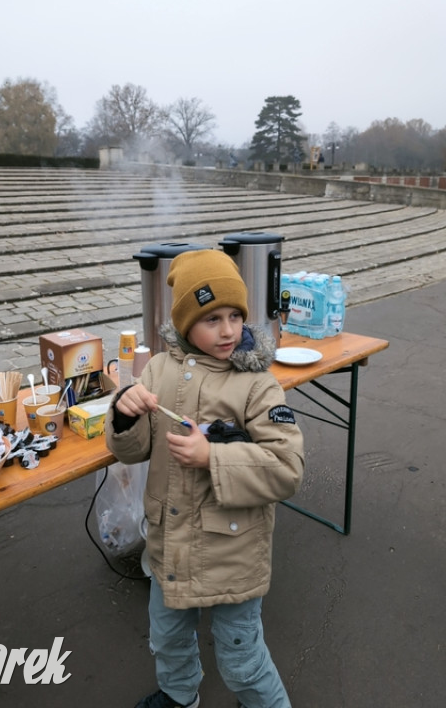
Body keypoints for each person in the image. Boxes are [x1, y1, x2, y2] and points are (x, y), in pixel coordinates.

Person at [106, 249, 305, 708]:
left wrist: (212, 456)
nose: (229, 330)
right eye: (212, 318)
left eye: (236, 315)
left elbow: (287, 467)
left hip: (232, 552)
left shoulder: (258, 385)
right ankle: (179, 697)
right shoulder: (157, 369)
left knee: (243, 660)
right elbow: (133, 450)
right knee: (168, 639)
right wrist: (123, 415)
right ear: (183, 322)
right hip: (168, 544)